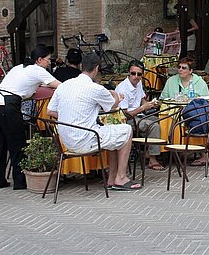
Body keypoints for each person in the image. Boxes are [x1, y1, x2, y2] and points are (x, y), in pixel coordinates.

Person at [47, 52, 141, 191]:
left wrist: (71, 118)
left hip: (65, 141)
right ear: (96, 68)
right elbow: (113, 106)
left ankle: (111, 178)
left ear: (81, 66)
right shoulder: (95, 88)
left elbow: (50, 111)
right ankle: (121, 177)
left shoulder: (64, 85)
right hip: (86, 139)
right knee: (126, 130)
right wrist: (115, 94)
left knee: (113, 132)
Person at [0, 44, 61, 190]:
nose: (49, 62)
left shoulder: (19, 67)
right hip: (8, 105)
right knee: (17, 144)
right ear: (39, 60)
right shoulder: (39, 71)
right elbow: (61, 86)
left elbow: (24, 88)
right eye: (48, 59)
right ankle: (20, 182)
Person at [115, 60, 163, 172]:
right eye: (133, 73)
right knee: (153, 125)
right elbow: (124, 115)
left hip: (140, 115)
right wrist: (143, 108)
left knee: (164, 121)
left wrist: (151, 104)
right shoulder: (123, 89)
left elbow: (142, 100)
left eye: (139, 74)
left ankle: (153, 152)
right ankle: (153, 158)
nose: (136, 77)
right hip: (129, 119)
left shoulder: (139, 83)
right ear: (128, 73)